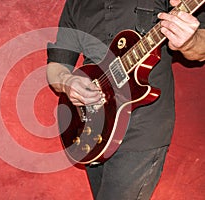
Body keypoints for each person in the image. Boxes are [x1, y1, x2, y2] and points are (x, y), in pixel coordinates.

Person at [47, 0, 205, 199]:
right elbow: (56, 66)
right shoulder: (76, 4)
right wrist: (67, 81)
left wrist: (189, 42)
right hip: (92, 124)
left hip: (142, 128)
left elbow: (201, 47)